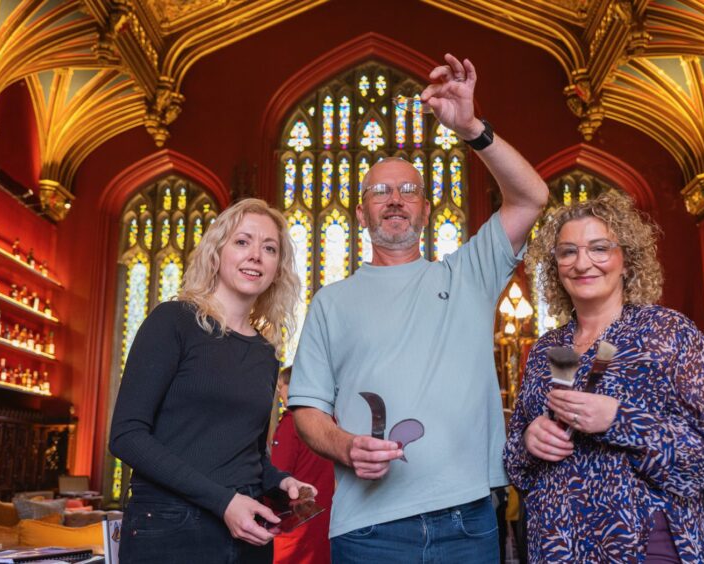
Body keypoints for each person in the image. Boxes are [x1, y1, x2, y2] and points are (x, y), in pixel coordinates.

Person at [287, 53, 549, 562]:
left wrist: (471, 127)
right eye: (380, 192)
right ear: (362, 212)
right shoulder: (330, 302)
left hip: (466, 520)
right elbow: (307, 409)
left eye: (409, 190)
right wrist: (345, 446)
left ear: (426, 211)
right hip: (367, 530)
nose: (395, 200)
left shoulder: (467, 274)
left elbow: (531, 197)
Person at [503, 190, 704, 563]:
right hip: (557, 544)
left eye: (599, 248)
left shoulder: (668, 334)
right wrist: (529, 440)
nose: (582, 263)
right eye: (568, 252)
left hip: (646, 541)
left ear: (627, 261)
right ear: (555, 267)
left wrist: (619, 420)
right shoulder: (550, 349)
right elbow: (517, 467)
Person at [109, 198, 316, 564]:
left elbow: (247, 453)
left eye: (269, 248)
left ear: (277, 268)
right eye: (242, 242)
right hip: (170, 526)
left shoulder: (265, 354)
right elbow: (126, 436)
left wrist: (281, 482)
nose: (256, 255)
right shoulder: (173, 322)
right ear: (216, 252)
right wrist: (223, 502)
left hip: (247, 529)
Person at [270, 367, 334, 564]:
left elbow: (277, 472)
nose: (280, 393)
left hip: (295, 520)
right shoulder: (328, 421)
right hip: (323, 514)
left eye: (281, 387)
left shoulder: (290, 424)